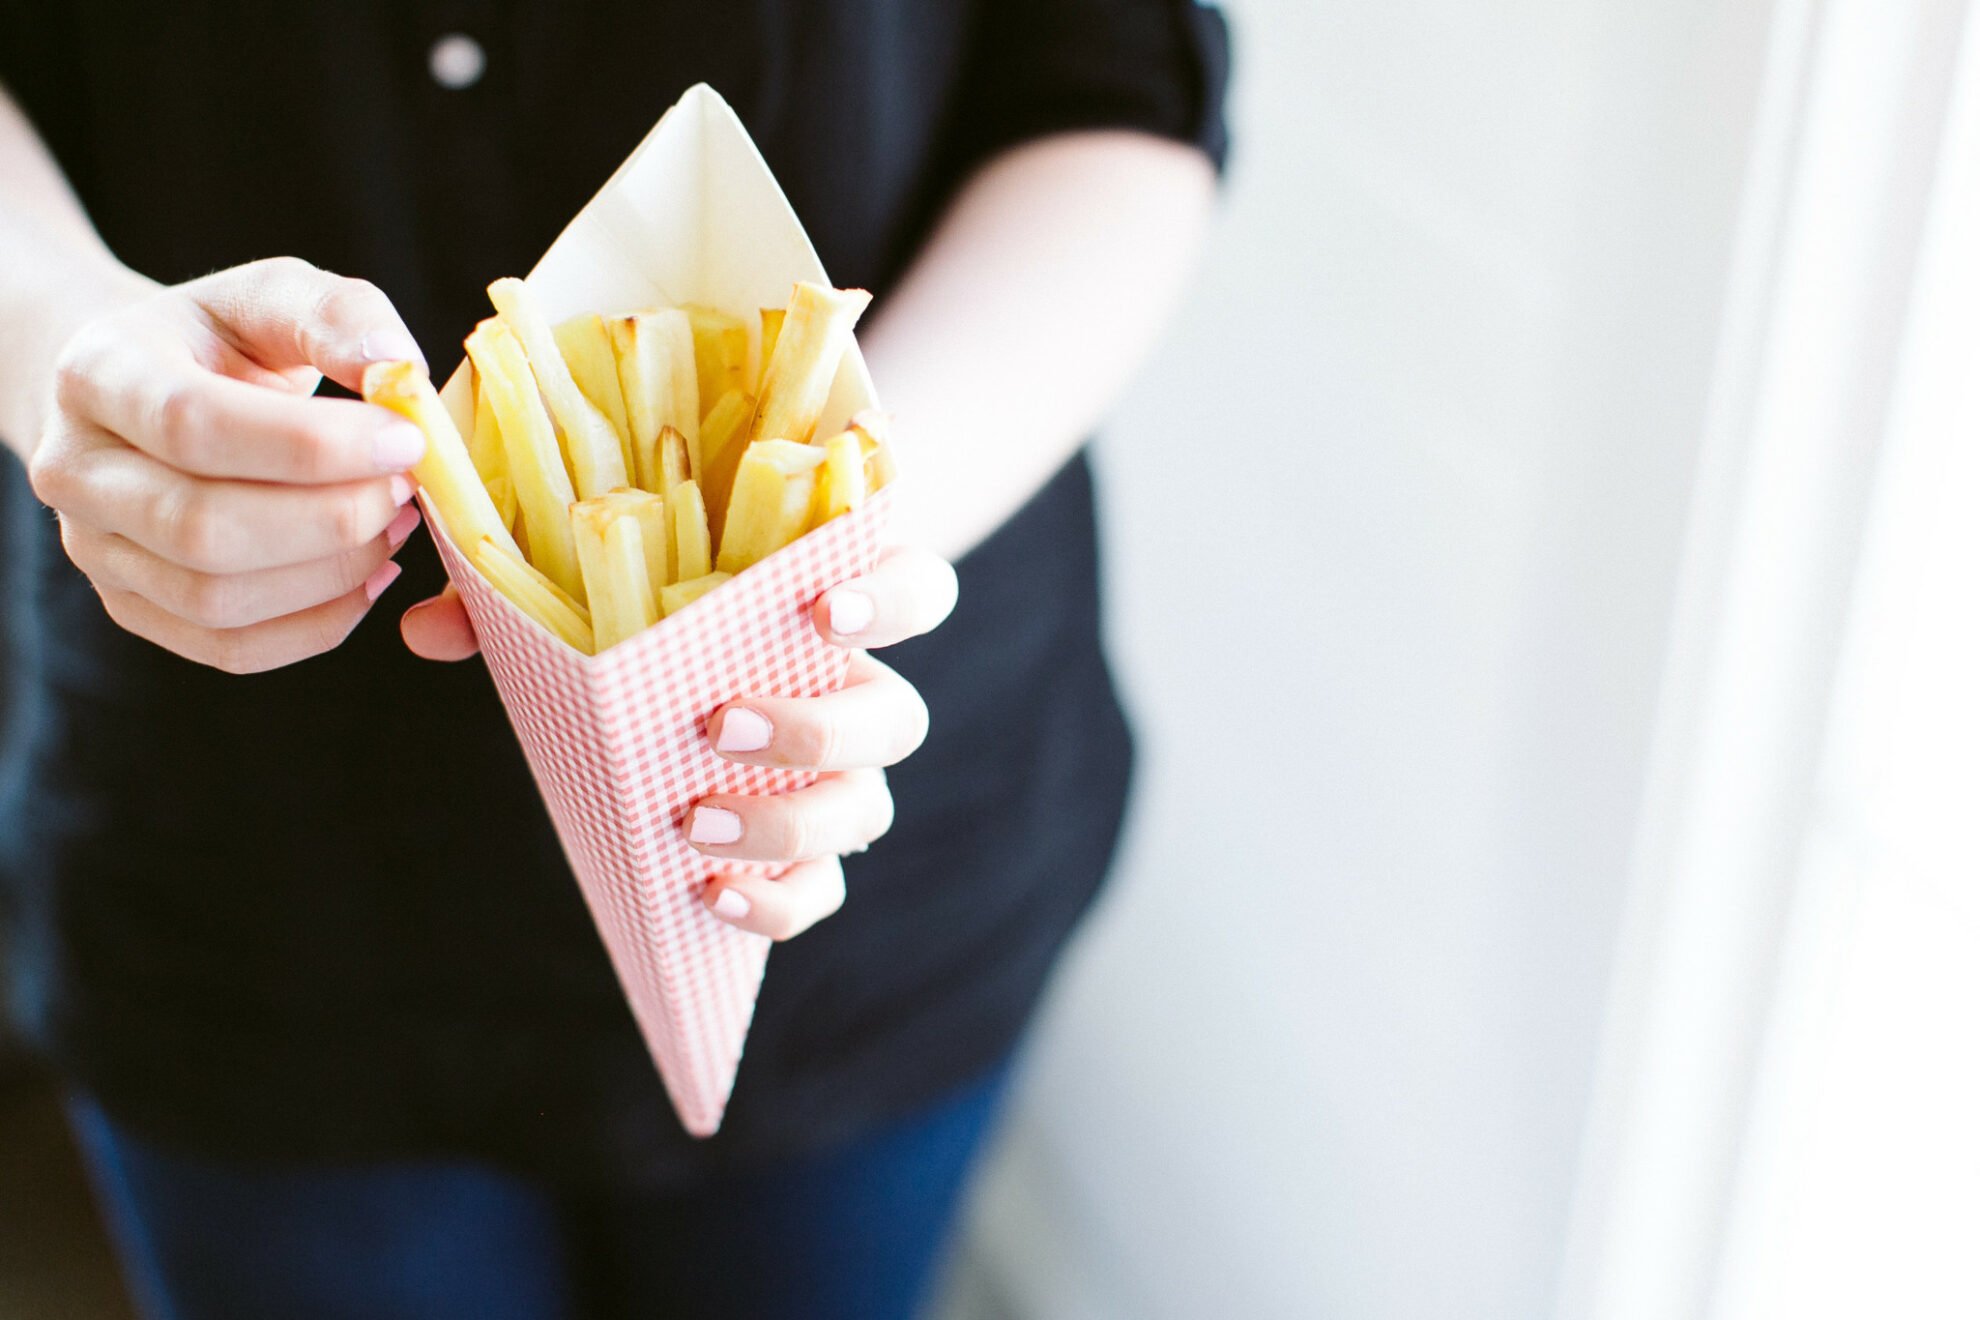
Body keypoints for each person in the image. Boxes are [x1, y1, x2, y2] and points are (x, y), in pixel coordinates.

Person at [0, 3, 1229, 1317]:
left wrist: (824, 543)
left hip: (874, 848)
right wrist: (65, 354)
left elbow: (1110, 70)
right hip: (249, 872)